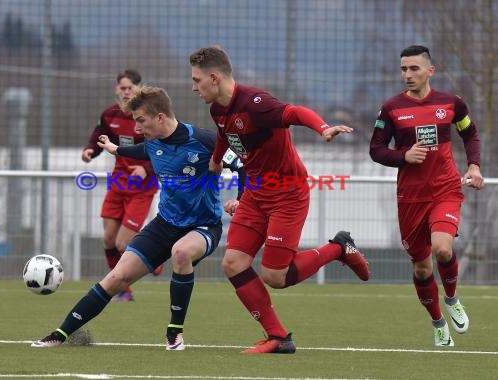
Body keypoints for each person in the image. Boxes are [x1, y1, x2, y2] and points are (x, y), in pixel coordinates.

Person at [32, 86, 245, 350]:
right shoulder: (154, 144)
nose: (138, 127)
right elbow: (141, 151)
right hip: (164, 225)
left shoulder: (203, 140)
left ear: (160, 117)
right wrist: (114, 149)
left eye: (141, 120)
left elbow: (243, 164)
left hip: (204, 226)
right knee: (114, 278)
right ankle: (60, 334)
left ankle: (174, 332)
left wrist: (242, 198)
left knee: (181, 252)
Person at [189, 46, 370, 354]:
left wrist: (323, 128)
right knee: (233, 263)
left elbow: (294, 113)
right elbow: (224, 133)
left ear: (214, 78)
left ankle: (338, 247)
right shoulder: (217, 109)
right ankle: (279, 337)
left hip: (287, 194)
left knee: (276, 276)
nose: (194, 87)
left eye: (196, 80)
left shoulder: (257, 104)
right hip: (257, 194)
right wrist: (217, 161)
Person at [369, 45, 484, 347]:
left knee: (442, 249)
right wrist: (403, 156)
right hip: (410, 198)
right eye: (404, 69)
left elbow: (469, 133)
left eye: (414, 69)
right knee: (421, 267)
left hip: (445, 189)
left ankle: (453, 298)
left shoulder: (451, 104)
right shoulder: (391, 108)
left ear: (430, 71)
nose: (407, 74)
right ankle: (437, 322)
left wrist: (473, 165)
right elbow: (376, 150)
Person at [81, 69, 161, 302]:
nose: (126, 92)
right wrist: (90, 151)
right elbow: (98, 136)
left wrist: (145, 169)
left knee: (122, 243)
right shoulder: (109, 115)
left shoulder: (146, 116)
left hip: (142, 187)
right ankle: (123, 289)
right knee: (108, 240)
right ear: (117, 90)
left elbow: (160, 149)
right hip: (118, 183)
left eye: (130, 88)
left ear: (138, 89)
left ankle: (155, 256)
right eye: (122, 88)